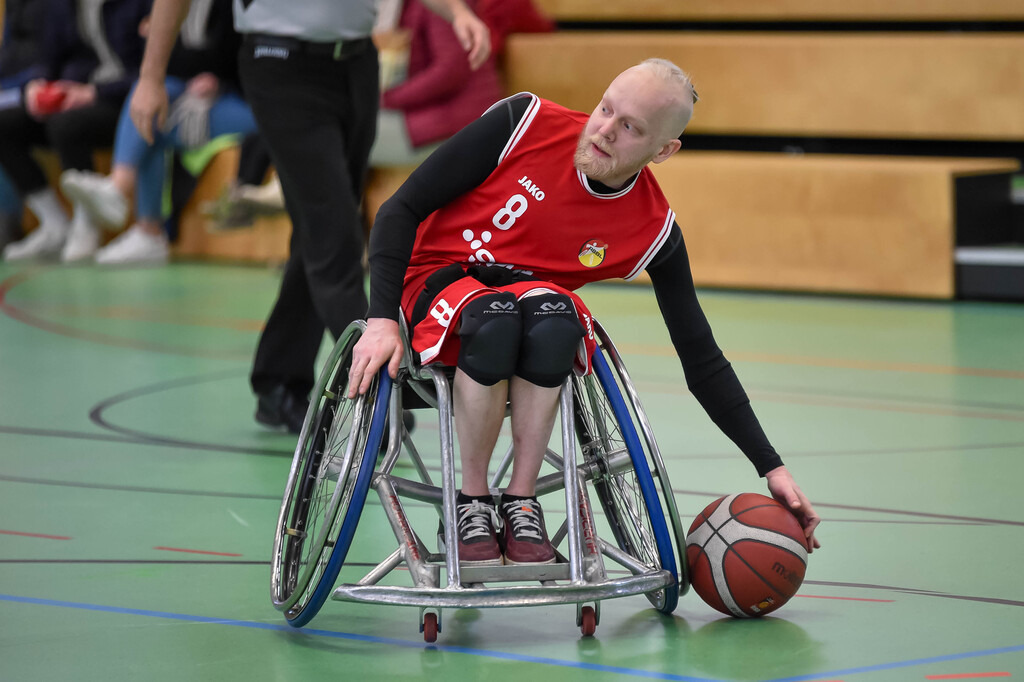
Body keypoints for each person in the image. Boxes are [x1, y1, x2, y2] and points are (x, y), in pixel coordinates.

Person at [348, 59, 822, 566]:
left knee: (560, 320)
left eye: (630, 128)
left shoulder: (653, 229)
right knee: (497, 314)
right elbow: (400, 209)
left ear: (663, 151)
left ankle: (521, 500)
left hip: (524, 311)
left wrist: (769, 465)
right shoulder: (523, 122)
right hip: (437, 278)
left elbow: (701, 357)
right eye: (605, 109)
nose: (604, 131)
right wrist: (379, 322)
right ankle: (471, 501)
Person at [129, 0, 491, 434]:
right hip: (280, 65)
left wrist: (458, 13)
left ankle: (278, 380)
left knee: (318, 233)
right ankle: (376, 388)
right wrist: (150, 78)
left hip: (356, 64)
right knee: (335, 236)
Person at [58, 0, 258, 264]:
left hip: (246, 102)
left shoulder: (228, 6)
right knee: (151, 118)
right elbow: (168, 64)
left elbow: (239, 58)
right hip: (191, 96)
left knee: (155, 111)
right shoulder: (169, 9)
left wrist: (217, 81)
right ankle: (144, 226)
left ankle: (129, 203)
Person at [0, 0, 151, 262]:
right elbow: (50, 60)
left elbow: (147, 75)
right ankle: (53, 222)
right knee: (5, 124)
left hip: (122, 101)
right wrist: (41, 86)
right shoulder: (61, 6)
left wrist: (94, 93)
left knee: (67, 124)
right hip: (74, 96)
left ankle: (87, 221)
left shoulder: (137, 5)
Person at [369, 0, 502, 168]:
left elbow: (449, 73)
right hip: (435, 115)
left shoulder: (443, 5)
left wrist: (386, 99)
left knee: (346, 134)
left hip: (457, 122)